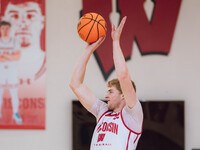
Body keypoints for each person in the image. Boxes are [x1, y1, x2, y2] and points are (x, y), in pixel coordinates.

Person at [70, 16, 143, 150]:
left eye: (110, 91)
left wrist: (115, 42)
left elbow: (123, 75)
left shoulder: (132, 115)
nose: (106, 95)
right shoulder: (102, 111)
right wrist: (88, 50)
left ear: (123, 96)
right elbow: (75, 84)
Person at [1, 0, 46, 83]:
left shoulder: (47, 64)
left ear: (42, 22)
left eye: (30, 16)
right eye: (14, 16)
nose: (22, 24)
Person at [0, 21, 22, 124]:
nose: (5, 30)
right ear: (0, 29)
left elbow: (17, 56)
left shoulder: (14, 41)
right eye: (3, 28)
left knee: (14, 94)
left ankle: (15, 113)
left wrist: (4, 56)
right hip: (1, 72)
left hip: (12, 72)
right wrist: (10, 56)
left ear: (10, 29)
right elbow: (13, 56)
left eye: (7, 28)